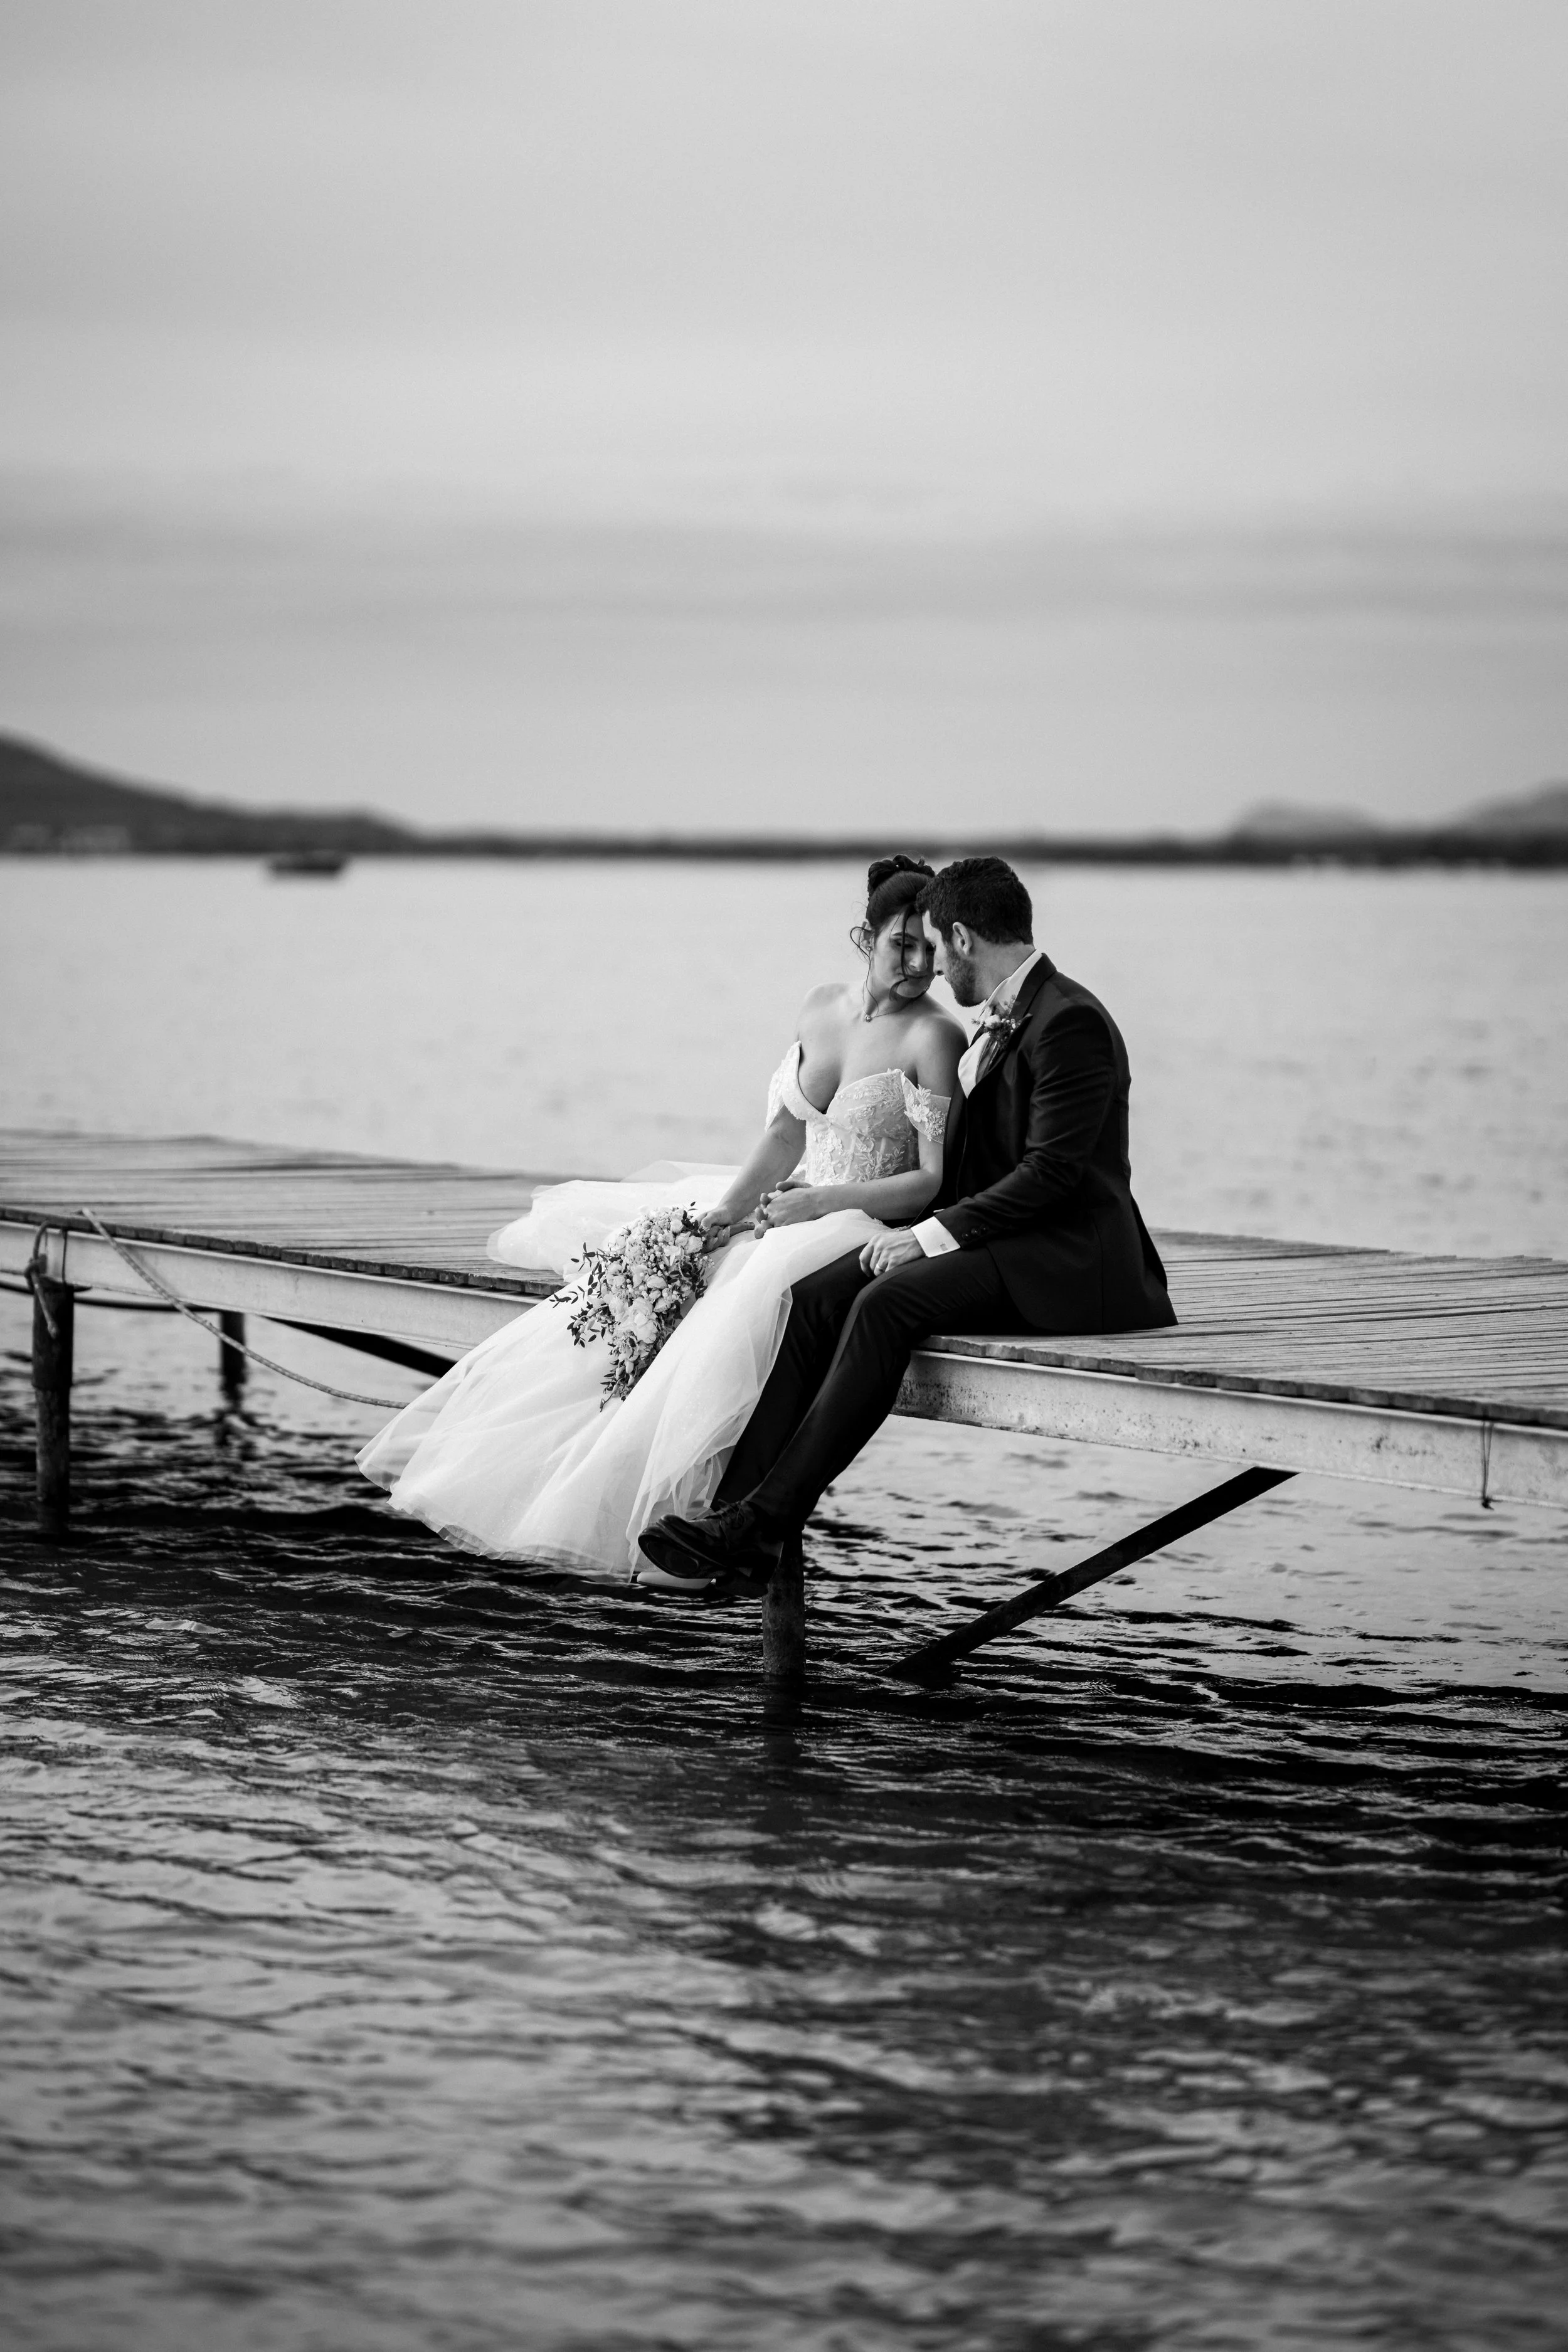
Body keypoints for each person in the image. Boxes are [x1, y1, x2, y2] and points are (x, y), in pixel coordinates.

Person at [356, 856, 965, 1582]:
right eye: (903, 944)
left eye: (931, 948)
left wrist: (821, 1204)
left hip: (854, 1219)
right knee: (658, 1265)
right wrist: (728, 1212)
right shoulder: (819, 1006)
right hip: (790, 1203)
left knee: (744, 1297)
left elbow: (930, 1183)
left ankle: (705, 1512)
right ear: (865, 937)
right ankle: (557, 1478)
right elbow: (785, 1132)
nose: (920, 963)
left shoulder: (935, 1037)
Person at [637, 855, 1177, 1595]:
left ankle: (763, 1524)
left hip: (1068, 1256)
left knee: (885, 1302)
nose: (928, 967)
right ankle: (730, 1514)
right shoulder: (1015, 1012)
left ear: (960, 938)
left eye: (934, 945)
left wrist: (926, 1234)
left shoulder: (1069, 1020)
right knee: (817, 1292)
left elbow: (1050, 1177)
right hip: (1006, 1238)